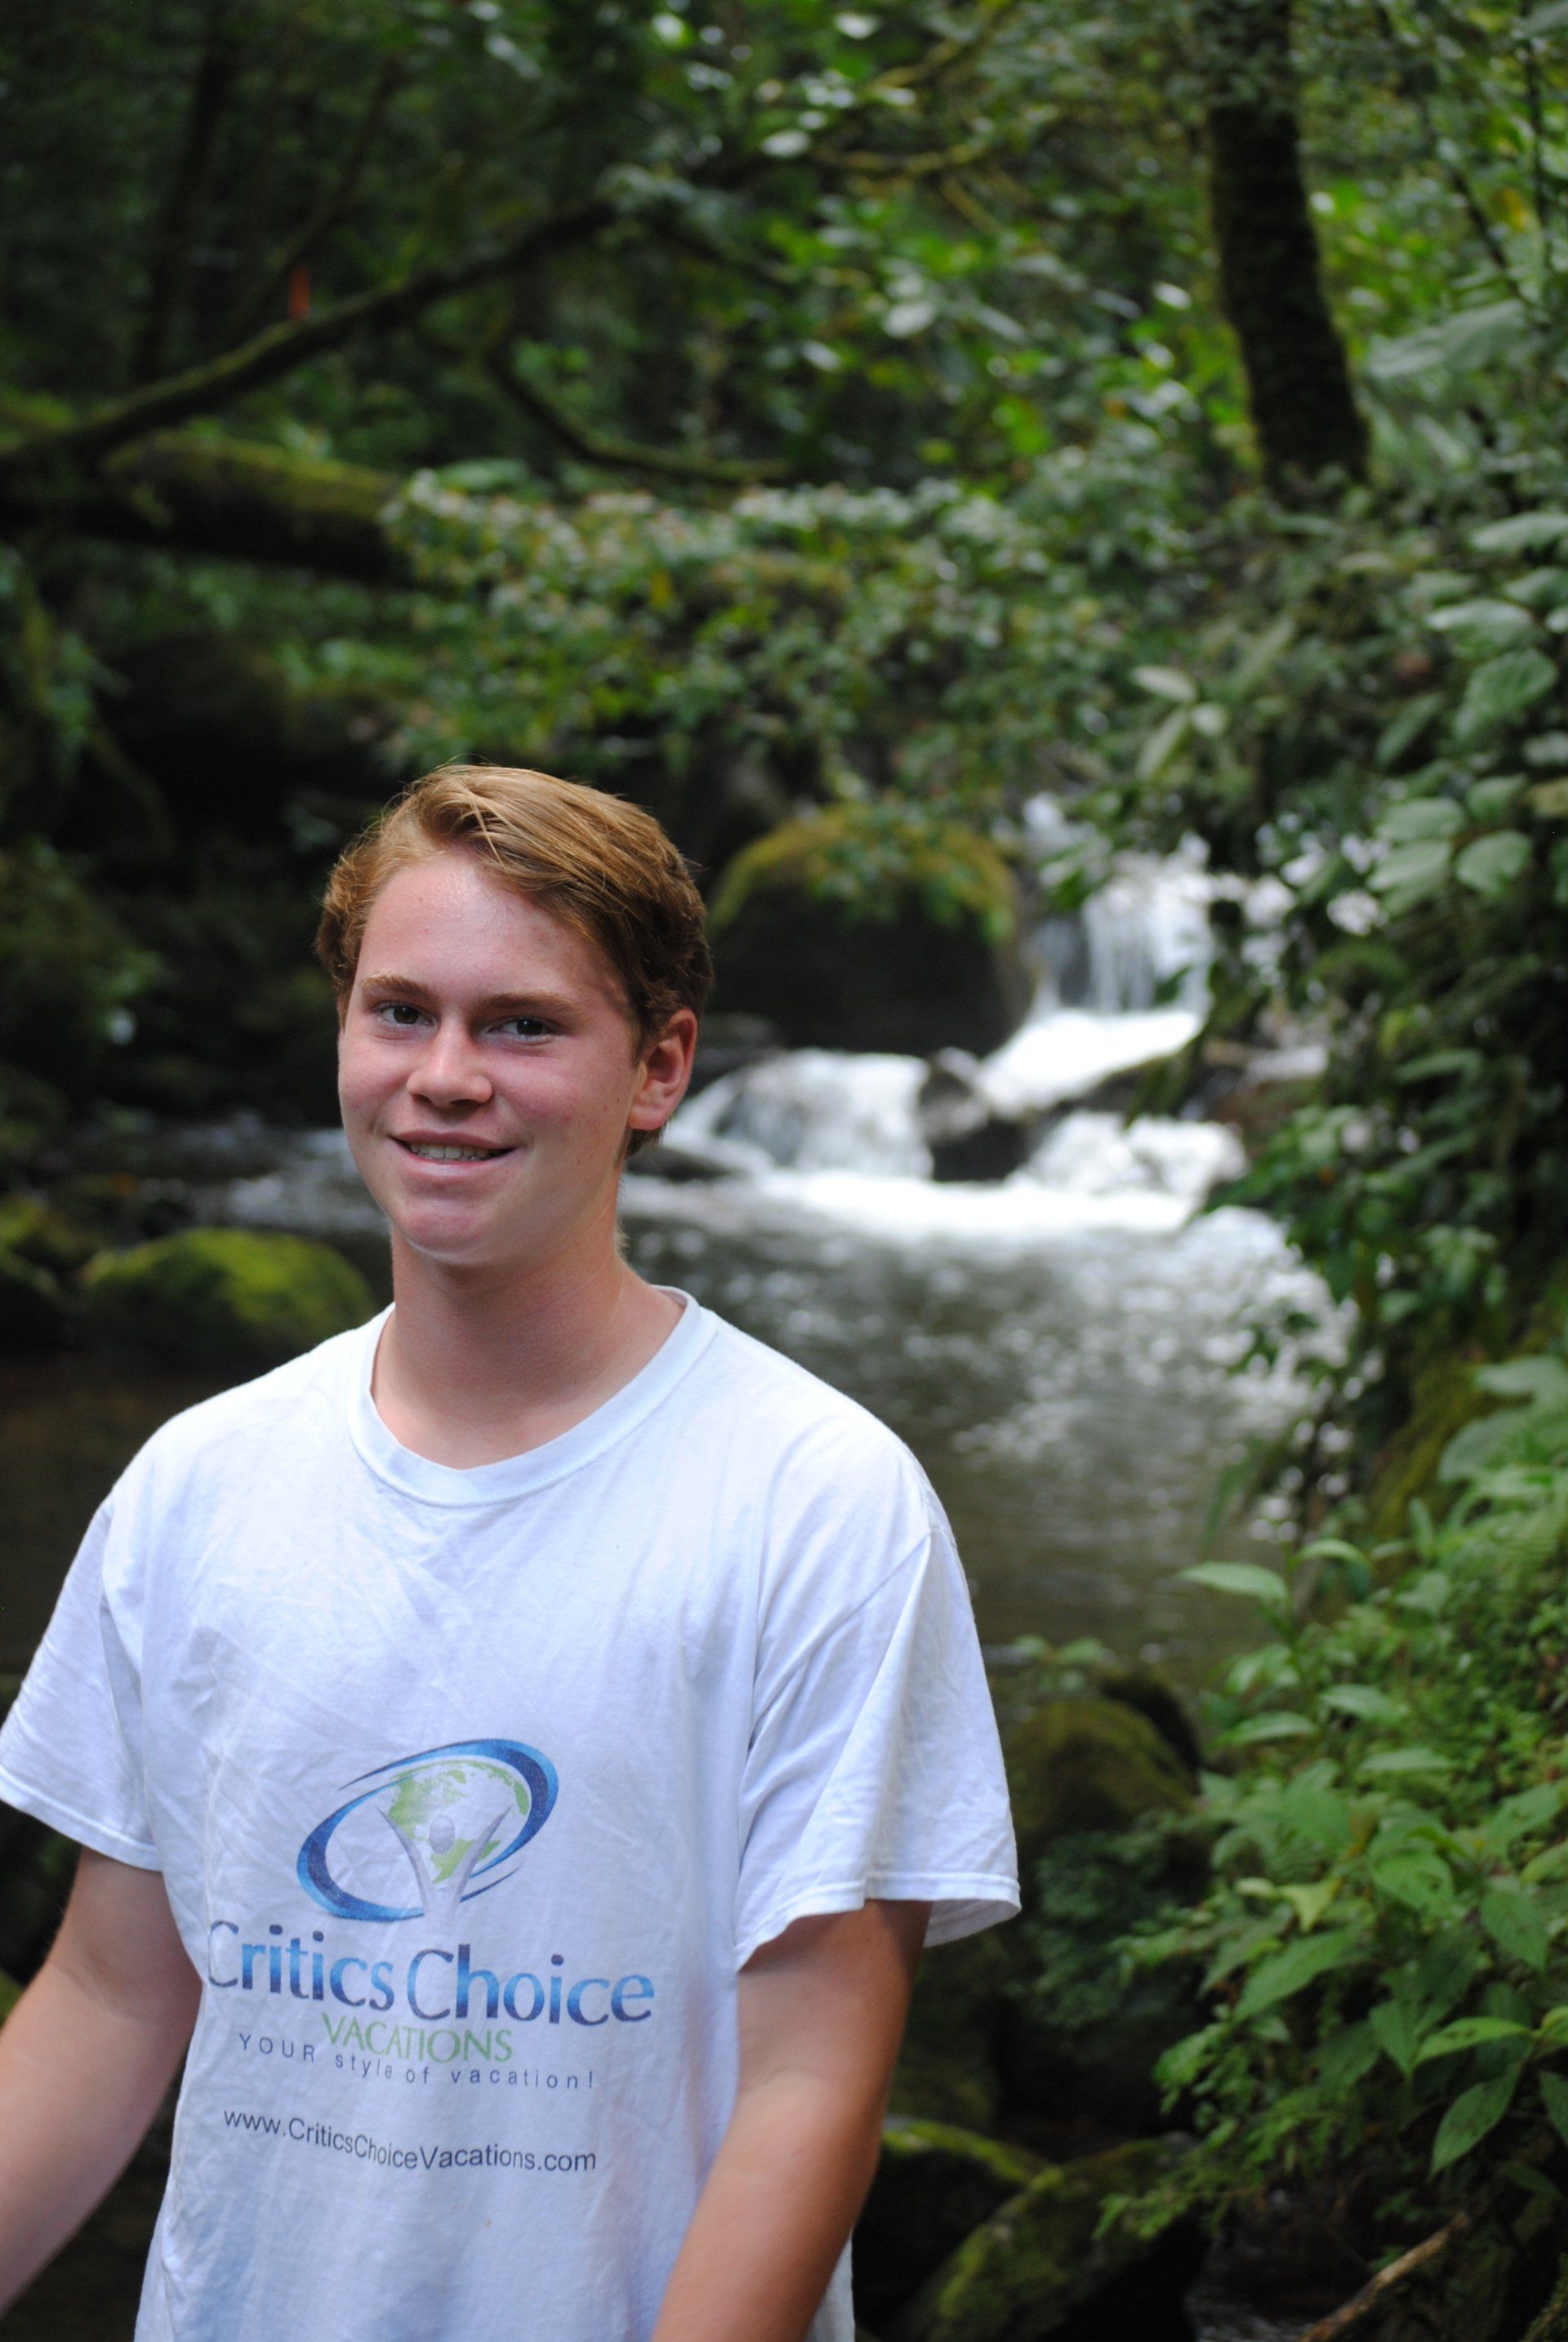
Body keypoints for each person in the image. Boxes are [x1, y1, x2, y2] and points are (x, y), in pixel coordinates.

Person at [0, 764, 1018, 2342]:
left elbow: (815, 2072)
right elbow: (113, 1996)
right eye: (399, 1012)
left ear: (658, 1068)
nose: (444, 1077)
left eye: (523, 1025)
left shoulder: (815, 1502)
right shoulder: (198, 1486)